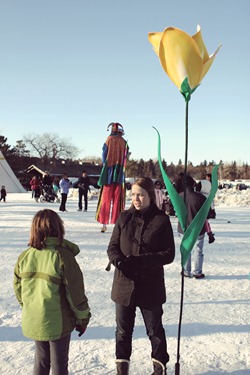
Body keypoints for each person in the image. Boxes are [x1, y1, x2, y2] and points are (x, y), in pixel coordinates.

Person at [107, 177, 175, 375]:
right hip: (123, 285)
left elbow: (168, 254)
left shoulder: (161, 220)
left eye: (141, 195)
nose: (137, 199)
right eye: (134, 194)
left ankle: (159, 368)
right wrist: (118, 261)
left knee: (155, 331)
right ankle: (122, 370)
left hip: (150, 286)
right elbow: (112, 247)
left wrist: (142, 260)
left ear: (150, 196)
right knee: (122, 332)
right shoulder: (124, 218)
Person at [13, 209, 91, 375]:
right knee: (59, 365)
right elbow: (75, 293)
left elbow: (19, 291)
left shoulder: (25, 256)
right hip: (58, 321)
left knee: (41, 361)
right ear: (58, 228)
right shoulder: (63, 256)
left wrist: (32, 308)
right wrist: (83, 318)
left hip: (35, 318)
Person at [96, 122, 128, 233]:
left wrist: (105, 165)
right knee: (117, 198)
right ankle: (117, 222)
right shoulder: (124, 142)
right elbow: (126, 156)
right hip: (119, 172)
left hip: (109, 171)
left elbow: (104, 154)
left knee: (105, 198)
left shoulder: (108, 139)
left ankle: (103, 223)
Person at [178, 175, 207, 279]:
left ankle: (186, 270)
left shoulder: (179, 197)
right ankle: (197, 272)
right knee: (198, 250)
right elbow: (206, 214)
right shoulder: (201, 198)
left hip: (184, 228)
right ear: (193, 184)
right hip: (198, 228)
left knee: (186, 249)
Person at [196, 179, 215, 244]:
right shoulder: (208, 195)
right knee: (206, 222)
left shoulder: (202, 196)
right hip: (204, 214)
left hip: (200, 214)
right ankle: (209, 233)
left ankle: (209, 233)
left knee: (205, 222)